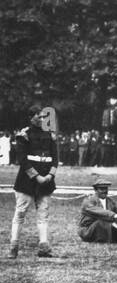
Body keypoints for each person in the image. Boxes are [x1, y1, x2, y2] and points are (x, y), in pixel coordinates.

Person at [9, 109, 59, 257]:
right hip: (27, 180)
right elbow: (22, 160)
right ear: (31, 118)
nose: (42, 118)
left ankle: (44, 247)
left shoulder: (50, 135)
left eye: (44, 116)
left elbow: (55, 158)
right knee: (20, 213)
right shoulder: (24, 135)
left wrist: (50, 175)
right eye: (39, 116)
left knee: (43, 214)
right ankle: (14, 246)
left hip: (46, 179)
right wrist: (36, 176)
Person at [79, 176, 117, 243]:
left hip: (103, 228)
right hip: (88, 230)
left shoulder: (110, 201)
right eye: (101, 189)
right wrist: (116, 216)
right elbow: (100, 212)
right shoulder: (88, 201)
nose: (104, 191)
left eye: (106, 188)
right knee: (103, 222)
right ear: (95, 190)